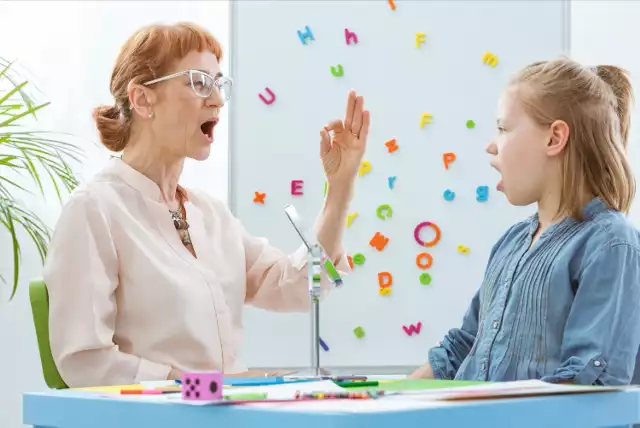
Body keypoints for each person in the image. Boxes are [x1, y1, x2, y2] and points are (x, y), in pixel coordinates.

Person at [42, 22, 370, 388]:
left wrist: (339, 188)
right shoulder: (94, 210)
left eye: (218, 84)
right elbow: (83, 360)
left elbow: (297, 285)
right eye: (199, 82)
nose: (216, 99)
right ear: (143, 99)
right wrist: (200, 387)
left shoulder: (210, 215)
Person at [410, 58, 640, 385]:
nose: (491, 145)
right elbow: (463, 348)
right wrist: (385, 402)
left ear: (554, 138)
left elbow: (587, 384)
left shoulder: (610, 245)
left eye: (503, 128)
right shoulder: (511, 242)